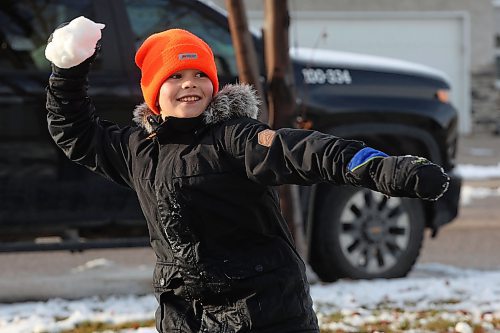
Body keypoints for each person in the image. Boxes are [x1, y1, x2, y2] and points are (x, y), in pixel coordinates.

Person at [45, 17, 449, 333]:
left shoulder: (235, 138)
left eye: (201, 74)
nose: (191, 84)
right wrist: (68, 70)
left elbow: (309, 151)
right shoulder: (138, 149)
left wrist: (385, 168)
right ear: (153, 91)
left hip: (264, 312)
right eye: (176, 76)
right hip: (185, 317)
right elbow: (76, 133)